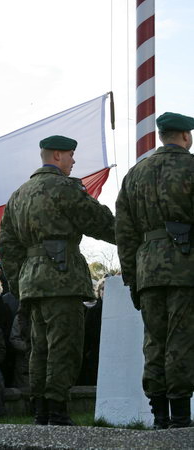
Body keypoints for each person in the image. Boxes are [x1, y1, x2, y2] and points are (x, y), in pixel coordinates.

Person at [0, 135, 115, 425]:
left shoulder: (19, 195)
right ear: (58, 155)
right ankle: (58, 409)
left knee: (39, 347)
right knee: (65, 345)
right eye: (72, 155)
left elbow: (7, 245)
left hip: (31, 281)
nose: (74, 161)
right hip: (63, 277)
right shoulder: (65, 187)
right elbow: (98, 221)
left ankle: (41, 409)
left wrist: (18, 283)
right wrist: (132, 237)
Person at [115, 112, 194, 429]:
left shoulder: (135, 174)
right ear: (186, 136)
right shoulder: (191, 167)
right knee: (182, 340)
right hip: (186, 266)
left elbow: (124, 232)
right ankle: (180, 416)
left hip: (148, 269)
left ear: (162, 136)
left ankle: (159, 414)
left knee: (154, 342)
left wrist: (132, 278)